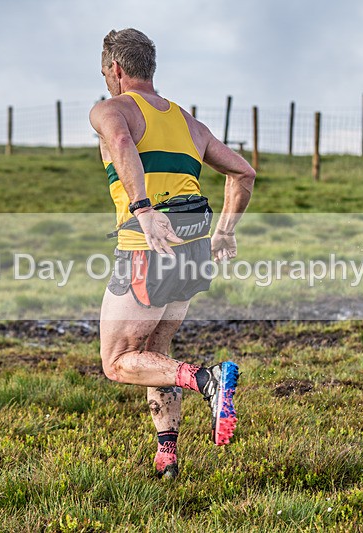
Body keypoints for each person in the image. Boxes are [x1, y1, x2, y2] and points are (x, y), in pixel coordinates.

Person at [89, 28, 255, 479]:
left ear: (116, 69)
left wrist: (142, 209)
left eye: (105, 70)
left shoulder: (110, 110)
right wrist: (225, 232)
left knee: (118, 362)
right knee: (158, 349)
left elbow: (123, 145)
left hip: (149, 245)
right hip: (195, 245)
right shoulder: (189, 123)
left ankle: (209, 379)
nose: (106, 78)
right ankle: (168, 456)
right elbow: (243, 173)